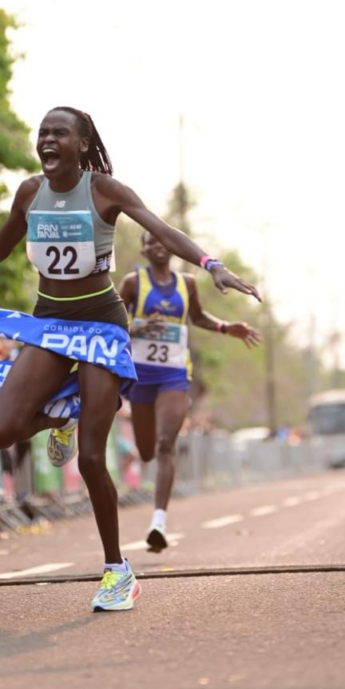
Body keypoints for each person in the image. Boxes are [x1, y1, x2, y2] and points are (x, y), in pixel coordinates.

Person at [0, 106, 260, 612]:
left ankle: (117, 571)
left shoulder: (104, 190)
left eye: (59, 133)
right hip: (50, 324)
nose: (47, 140)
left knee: (93, 455)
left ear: (82, 144)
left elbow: (162, 230)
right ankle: (62, 410)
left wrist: (212, 265)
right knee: (1, 430)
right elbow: (0, 245)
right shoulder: (29, 192)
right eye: (43, 134)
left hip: (101, 326)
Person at [118, 231, 261, 552]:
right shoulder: (132, 283)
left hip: (174, 374)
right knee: (146, 450)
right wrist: (138, 327)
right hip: (140, 375)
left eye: (162, 241)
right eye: (150, 242)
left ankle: (158, 521)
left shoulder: (187, 283)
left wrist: (226, 327)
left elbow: (196, 317)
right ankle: (150, 474)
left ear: (170, 248)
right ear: (142, 249)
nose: (157, 246)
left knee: (167, 443)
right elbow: (109, 321)